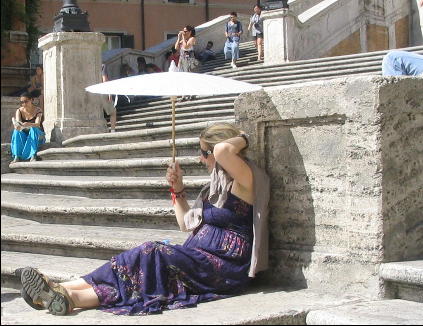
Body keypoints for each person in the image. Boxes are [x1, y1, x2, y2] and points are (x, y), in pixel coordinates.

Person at [19, 122, 270, 316]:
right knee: (144, 263)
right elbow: (185, 224)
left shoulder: (244, 181)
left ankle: (67, 295)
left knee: (151, 251)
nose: (201, 158)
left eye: (204, 153)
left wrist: (245, 136)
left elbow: (223, 149)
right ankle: (63, 290)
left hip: (223, 267)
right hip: (197, 258)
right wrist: (177, 190)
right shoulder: (215, 188)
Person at [10, 92, 45, 163]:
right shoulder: (19, 110)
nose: (24, 104)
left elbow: (37, 124)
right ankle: (17, 156)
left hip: (37, 134)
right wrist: (17, 126)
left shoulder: (38, 110)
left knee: (33, 129)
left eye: (25, 101)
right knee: (16, 132)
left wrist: (29, 124)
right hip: (25, 134)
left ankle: (33, 155)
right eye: (22, 102)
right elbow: (18, 123)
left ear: (31, 100)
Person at [176, 25, 197, 101]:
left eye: (185, 31)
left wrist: (183, 38)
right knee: (182, 78)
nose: (184, 33)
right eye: (183, 31)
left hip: (189, 59)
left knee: (190, 76)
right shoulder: (183, 39)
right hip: (182, 59)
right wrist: (179, 38)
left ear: (190, 32)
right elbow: (176, 47)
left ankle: (192, 94)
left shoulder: (192, 39)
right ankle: (183, 95)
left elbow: (186, 47)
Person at [101, 64, 117, 133]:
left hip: (90, 90)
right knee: (113, 111)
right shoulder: (102, 66)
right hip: (101, 91)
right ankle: (113, 130)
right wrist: (109, 93)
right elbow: (105, 80)